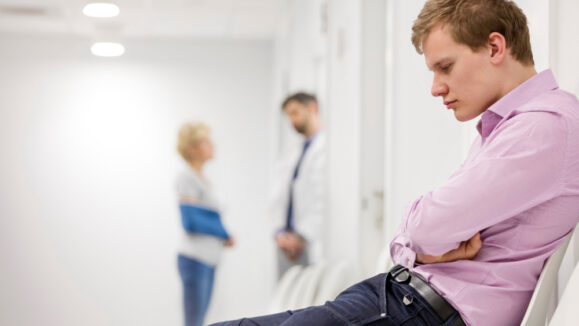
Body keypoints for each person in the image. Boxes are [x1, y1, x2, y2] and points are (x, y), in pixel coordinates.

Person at [210, 0, 579, 325]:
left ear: (495, 46)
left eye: (445, 67)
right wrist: (418, 246)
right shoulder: (506, 126)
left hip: (426, 310)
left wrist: (419, 241)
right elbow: (419, 236)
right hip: (404, 299)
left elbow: (425, 228)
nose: (435, 87)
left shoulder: (544, 126)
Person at [175, 122, 235, 326]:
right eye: (206, 142)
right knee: (194, 322)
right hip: (195, 258)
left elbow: (206, 215)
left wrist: (222, 233)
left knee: (200, 320)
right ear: (192, 148)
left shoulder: (204, 180)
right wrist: (223, 233)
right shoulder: (186, 177)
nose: (212, 146)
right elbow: (190, 220)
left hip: (209, 259)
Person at [274, 92, 326, 278]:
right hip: (286, 241)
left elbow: (321, 199)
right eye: (288, 115)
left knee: (306, 302)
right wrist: (279, 231)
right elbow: (280, 195)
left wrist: (302, 236)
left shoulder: (325, 148)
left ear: (312, 108)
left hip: (307, 242)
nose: (291, 120)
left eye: (295, 113)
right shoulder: (295, 151)